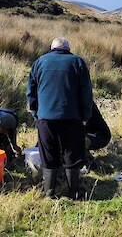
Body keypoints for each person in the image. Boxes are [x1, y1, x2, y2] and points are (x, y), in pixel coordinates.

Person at [26, 37, 93, 198]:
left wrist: (36, 114)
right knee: (72, 154)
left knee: (48, 154)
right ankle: (74, 193)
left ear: (52, 48)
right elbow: (86, 93)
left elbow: (31, 93)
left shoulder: (39, 62)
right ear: (67, 49)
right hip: (72, 118)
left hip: (45, 118)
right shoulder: (77, 62)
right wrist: (85, 116)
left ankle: (49, 192)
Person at [83, 102, 111, 171]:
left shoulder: (85, 102)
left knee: (75, 141)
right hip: (87, 134)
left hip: (100, 136)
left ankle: (90, 163)